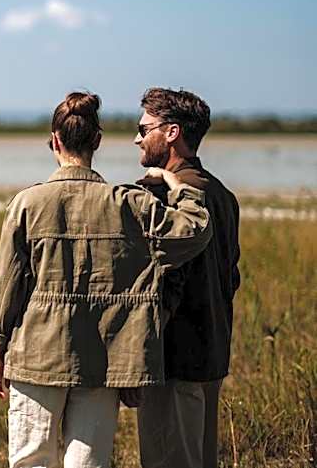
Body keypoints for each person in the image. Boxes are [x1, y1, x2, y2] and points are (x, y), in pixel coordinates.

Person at [0, 91, 213, 468]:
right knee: (88, 464)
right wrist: (180, 187)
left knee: (31, 460)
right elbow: (193, 231)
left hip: (35, 353)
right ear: (98, 141)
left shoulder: (26, 204)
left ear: (55, 141)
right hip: (103, 358)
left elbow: (7, 287)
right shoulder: (128, 203)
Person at [134, 88, 241, 468]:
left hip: (172, 359)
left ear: (172, 132)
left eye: (144, 128)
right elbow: (232, 277)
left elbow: (160, 284)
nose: (137, 138)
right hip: (211, 352)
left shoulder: (160, 193)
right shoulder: (223, 195)